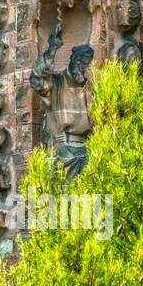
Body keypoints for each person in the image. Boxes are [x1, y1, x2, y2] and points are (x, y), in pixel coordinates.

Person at [30, 23, 95, 178]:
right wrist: (52, 49)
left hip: (88, 151)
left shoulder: (91, 88)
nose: (83, 66)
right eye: (81, 61)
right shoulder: (56, 83)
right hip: (62, 151)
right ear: (72, 59)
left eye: (87, 63)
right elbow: (37, 79)